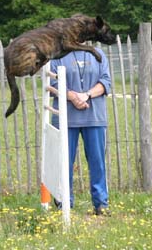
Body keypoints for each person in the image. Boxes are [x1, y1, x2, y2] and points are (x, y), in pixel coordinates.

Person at [50, 46, 111, 215]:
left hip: (95, 117)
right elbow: (52, 83)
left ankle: (101, 204)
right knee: (64, 162)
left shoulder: (98, 54)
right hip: (65, 118)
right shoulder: (57, 54)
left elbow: (106, 81)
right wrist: (73, 97)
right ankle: (64, 203)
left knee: (97, 162)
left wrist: (86, 95)